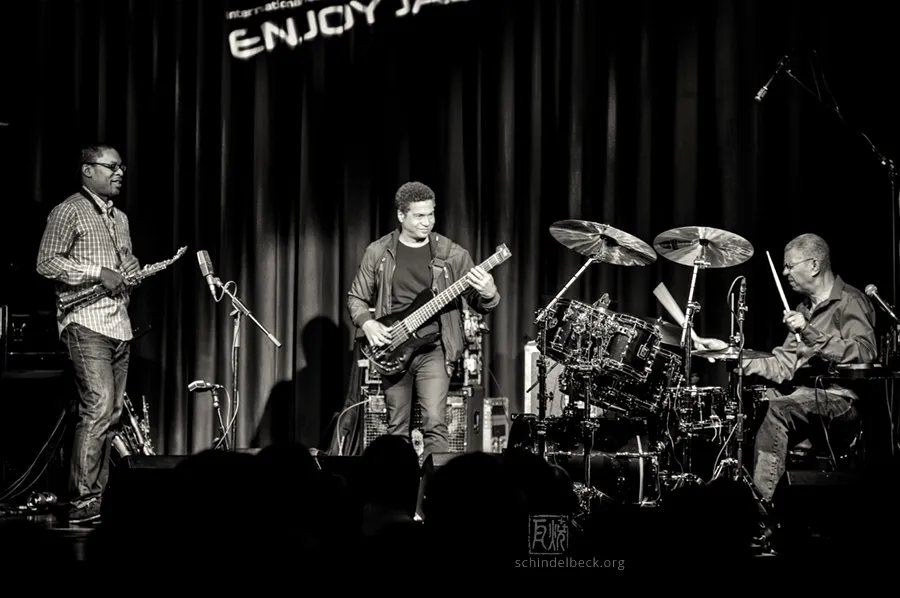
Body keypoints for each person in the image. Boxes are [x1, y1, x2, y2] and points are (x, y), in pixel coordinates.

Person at [695, 233, 877, 503]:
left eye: (790, 266)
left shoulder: (850, 301)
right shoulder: (802, 309)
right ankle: (733, 503)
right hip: (805, 398)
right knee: (745, 409)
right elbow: (782, 365)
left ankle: (762, 512)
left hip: (842, 401)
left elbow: (865, 352)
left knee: (780, 409)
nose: (784, 272)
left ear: (814, 265)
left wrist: (809, 331)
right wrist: (730, 353)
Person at [347, 182, 500, 459]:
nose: (427, 222)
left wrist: (489, 293)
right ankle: (398, 494)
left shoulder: (453, 254)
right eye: (419, 216)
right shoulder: (378, 252)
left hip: (435, 349)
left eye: (431, 215)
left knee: (435, 424)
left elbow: (480, 302)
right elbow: (356, 298)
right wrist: (367, 323)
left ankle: (434, 496)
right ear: (401, 215)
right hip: (393, 347)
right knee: (397, 428)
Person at [36, 143, 139, 524]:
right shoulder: (68, 211)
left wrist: (128, 266)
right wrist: (98, 272)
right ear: (87, 170)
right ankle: (83, 501)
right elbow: (46, 262)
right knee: (97, 408)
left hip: (118, 323)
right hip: (85, 321)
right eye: (111, 166)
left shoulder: (121, 218)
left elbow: (123, 262)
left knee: (111, 414)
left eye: (121, 167)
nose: (119, 172)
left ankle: (98, 499)